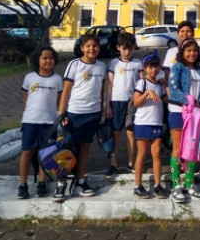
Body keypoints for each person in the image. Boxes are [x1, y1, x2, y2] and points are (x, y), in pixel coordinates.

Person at [55, 34, 106, 201]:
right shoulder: (74, 64)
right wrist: (61, 112)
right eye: (88, 46)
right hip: (74, 113)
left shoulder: (101, 66)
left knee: (85, 148)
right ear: (82, 48)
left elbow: (101, 90)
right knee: (67, 149)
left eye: (95, 46)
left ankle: (80, 181)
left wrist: (103, 110)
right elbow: (66, 89)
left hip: (93, 113)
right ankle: (61, 183)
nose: (92, 49)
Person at [167, 39, 200, 203]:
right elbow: (173, 88)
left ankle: (190, 183)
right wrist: (188, 99)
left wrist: (199, 101)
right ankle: (176, 185)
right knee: (177, 148)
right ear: (182, 52)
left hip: (196, 114)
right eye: (188, 51)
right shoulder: (177, 67)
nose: (192, 54)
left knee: (193, 148)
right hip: (178, 111)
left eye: (194, 51)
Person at [17, 47, 62, 199]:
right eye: (44, 58)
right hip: (30, 121)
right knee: (27, 152)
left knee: (46, 153)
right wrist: (30, 113)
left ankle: (42, 182)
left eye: (51, 58)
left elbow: (59, 100)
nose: (48, 61)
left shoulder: (57, 79)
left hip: (49, 122)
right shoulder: (29, 77)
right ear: (38, 60)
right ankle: (22, 184)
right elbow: (25, 98)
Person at [105, 32, 143, 176]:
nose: (127, 52)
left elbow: (141, 83)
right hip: (116, 101)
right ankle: (113, 163)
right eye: (124, 48)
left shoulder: (137, 63)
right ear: (118, 47)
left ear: (134, 48)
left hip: (132, 102)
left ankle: (131, 162)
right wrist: (107, 105)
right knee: (116, 133)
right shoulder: (114, 63)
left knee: (131, 133)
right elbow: (109, 84)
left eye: (130, 48)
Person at [132, 51, 169, 198]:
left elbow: (167, 100)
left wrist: (165, 86)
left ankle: (158, 185)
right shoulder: (142, 83)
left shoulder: (159, 85)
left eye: (156, 66)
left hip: (157, 123)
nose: (154, 69)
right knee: (142, 153)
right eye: (150, 67)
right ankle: (137, 185)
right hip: (142, 123)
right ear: (145, 68)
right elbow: (136, 102)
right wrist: (147, 93)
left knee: (157, 154)